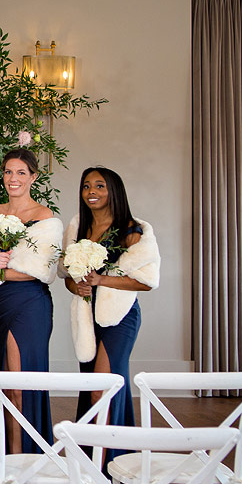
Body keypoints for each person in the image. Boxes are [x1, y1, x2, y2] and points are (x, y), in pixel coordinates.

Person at [0, 149, 63, 454]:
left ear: (33, 177)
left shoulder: (45, 217)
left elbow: (41, 271)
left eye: (21, 173)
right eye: (8, 172)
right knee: (0, 384)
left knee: (19, 386)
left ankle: (20, 462)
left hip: (29, 305)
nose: (13, 179)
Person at [62, 167, 160, 430]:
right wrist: (78, 287)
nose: (91, 191)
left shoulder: (131, 229)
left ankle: (103, 464)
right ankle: (95, 455)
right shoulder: (77, 226)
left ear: (113, 190)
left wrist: (101, 281)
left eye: (99, 186)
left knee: (103, 387)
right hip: (87, 316)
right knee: (92, 385)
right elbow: (68, 276)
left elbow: (146, 281)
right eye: (86, 186)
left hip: (120, 316)